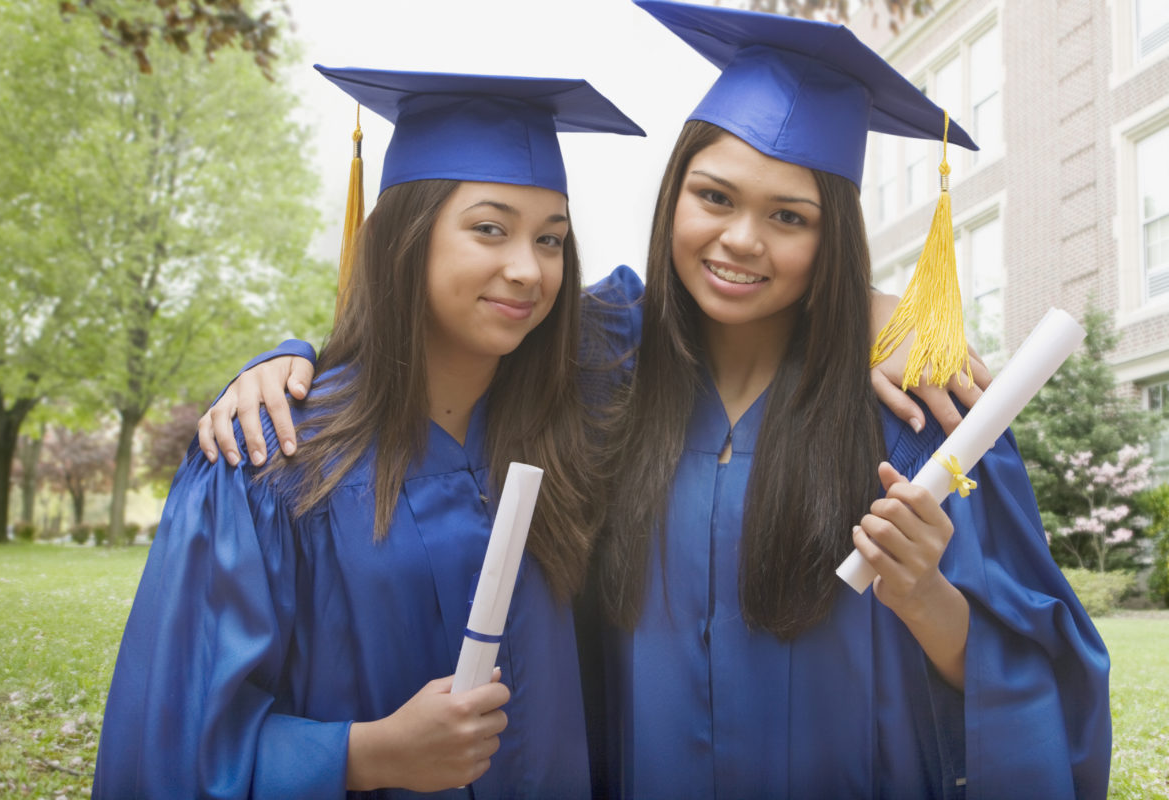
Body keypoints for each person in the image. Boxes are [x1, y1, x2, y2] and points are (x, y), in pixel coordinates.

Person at [199, 3, 1109, 797]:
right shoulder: (608, 377)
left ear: (835, 240)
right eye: (714, 197)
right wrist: (291, 360)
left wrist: (926, 597)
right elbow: (451, 332)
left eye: (791, 217)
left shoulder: (919, 422)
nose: (741, 241)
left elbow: (1044, 681)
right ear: (675, 195)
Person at [92, 67, 644, 799]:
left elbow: (695, 300)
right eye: (489, 228)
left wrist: (856, 312)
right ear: (400, 237)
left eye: (551, 239)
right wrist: (366, 755)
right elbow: (173, 744)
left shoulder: (572, 400)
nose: (528, 270)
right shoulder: (271, 460)